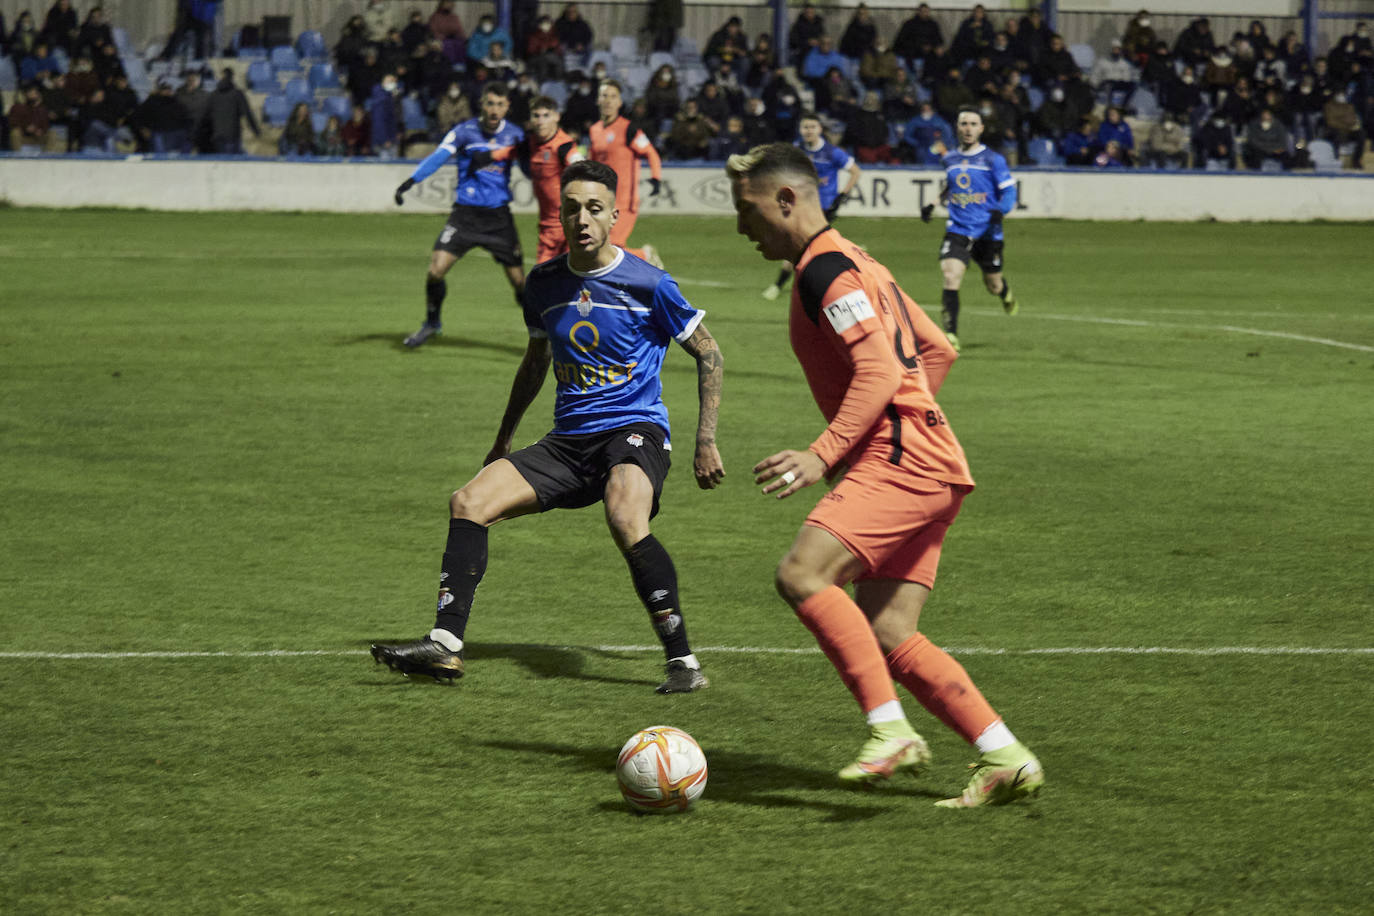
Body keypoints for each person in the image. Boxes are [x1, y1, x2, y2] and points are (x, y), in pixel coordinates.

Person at [726, 142, 1044, 806]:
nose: (741, 227)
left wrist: (829, 452)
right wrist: (911, 416)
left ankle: (888, 731)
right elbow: (934, 349)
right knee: (889, 629)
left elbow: (877, 368)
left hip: (902, 460)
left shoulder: (823, 270)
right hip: (929, 458)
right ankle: (1004, 755)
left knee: (802, 574)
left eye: (747, 209)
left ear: (787, 200)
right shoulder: (860, 259)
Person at [372, 159, 726, 693]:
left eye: (594, 209)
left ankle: (683, 663)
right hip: (567, 442)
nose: (582, 219)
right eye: (572, 208)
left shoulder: (649, 283)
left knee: (625, 512)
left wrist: (705, 442)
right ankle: (444, 647)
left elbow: (709, 352)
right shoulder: (543, 284)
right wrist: (503, 439)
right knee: (468, 501)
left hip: (634, 432)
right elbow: (535, 362)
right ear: (559, 214)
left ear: (613, 216)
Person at [394, 83, 526, 348]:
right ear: (482, 104)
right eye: (490, 103)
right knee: (436, 270)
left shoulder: (516, 135)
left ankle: (542, 334)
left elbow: (534, 166)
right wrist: (412, 180)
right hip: (465, 215)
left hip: (498, 218)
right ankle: (432, 323)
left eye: (500, 105)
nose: (494, 110)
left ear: (507, 107)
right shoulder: (464, 131)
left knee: (519, 283)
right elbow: (439, 156)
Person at [920, 108, 1017, 351]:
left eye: (973, 124)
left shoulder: (993, 160)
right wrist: (933, 203)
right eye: (964, 123)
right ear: (957, 127)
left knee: (992, 284)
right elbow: (951, 187)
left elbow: (1009, 191)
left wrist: (1001, 210)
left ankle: (1005, 292)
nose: (968, 128)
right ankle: (950, 334)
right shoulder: (950, 158)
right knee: (951, 276)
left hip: (987, 231)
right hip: (958, 229)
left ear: (981, 129)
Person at [761, 111, 859, 301]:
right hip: (800, 206)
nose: (808, 131)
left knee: (799, 246)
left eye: (812, 127)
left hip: (822, 209)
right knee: (803, 246)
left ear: (820, 129)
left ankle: (779, 285)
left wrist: (842, 195)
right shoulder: (796, 150)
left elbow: (855, 172)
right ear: (800, 129)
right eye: (805, 127)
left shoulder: (832, 152)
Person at [589, 80, 665, 266]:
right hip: (602, 199)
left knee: (610, 247)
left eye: (613, 96)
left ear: (620, 102)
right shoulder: (595, 130)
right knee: (599, 247)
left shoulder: (628, 129)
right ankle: (641, 259)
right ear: (598, 100)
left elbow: (651, 153)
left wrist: (656, 177)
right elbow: (593, 163)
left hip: (624, 200)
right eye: (604, 96)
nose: (608, 101)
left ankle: (643, 256)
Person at [505, 94, 584, 264]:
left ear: (556, 116)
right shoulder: (529, 144)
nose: (541, 121)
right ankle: (641, 256)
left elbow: (582, 168)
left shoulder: (564, 146)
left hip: (570, 223)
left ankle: (640, 257)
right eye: (536, 116)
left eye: (546, 115)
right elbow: (507, 153)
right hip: (548, 226)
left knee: (548, 278)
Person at [202, 68, 259, 154]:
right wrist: (256, 131)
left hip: (217, 137)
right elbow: (247, 114)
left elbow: (205, 116)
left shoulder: (213, 95)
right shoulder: (237, 94)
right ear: (232, 77)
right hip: (233, 136)